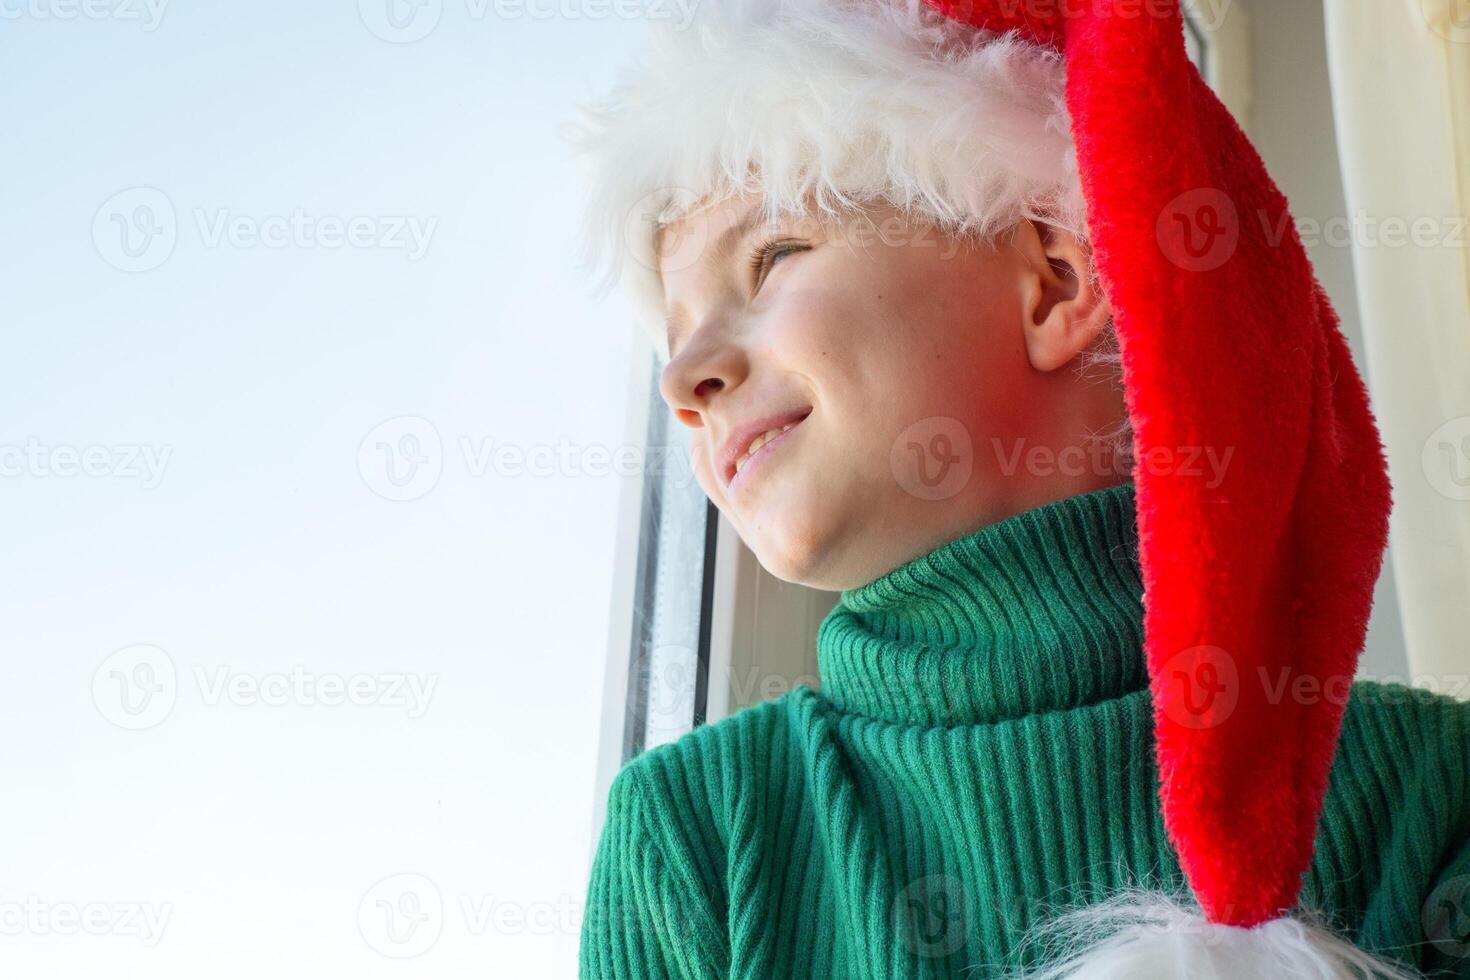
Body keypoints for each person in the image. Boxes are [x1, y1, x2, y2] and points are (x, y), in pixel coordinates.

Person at [562, 0, 1470, 975]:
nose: (682, 376)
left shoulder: (1426, 792)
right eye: (672, 334)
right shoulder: (690, 836)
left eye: (772, 255)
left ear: (1054, 274)